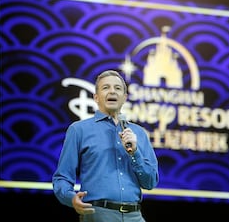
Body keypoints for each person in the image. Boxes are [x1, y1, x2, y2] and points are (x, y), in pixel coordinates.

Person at [52, 70, 159, 222]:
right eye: (106, 88)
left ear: (124, 98)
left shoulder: (138, 133)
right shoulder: (79, 130)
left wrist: (135, 153)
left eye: (117, 88)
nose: (112, 92)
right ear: (96, 97)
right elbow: (62, 177)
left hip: (135, 216)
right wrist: (71, 199)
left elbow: (150, 182)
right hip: (98, 214)